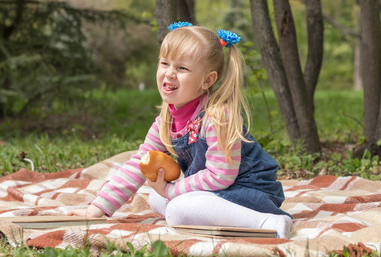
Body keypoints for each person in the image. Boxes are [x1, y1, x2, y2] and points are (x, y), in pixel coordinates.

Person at [69, 22, 293, 239]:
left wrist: (173, 192)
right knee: (157, 200)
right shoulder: (165, 120)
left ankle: (268, 223)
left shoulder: (217, 117)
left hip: (251, 191)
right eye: (164, 63)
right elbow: (139, 163)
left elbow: (220, 176)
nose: (169, 73)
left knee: (177, 210)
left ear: (208, 80)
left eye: (182, 68)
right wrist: (96, 210)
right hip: (218, 192)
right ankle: (203, 213)